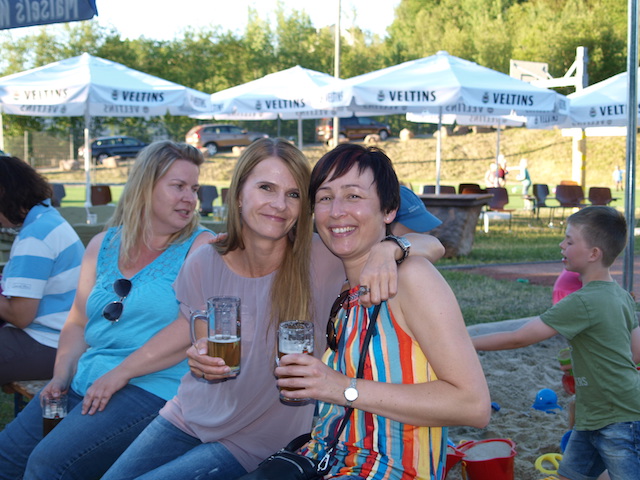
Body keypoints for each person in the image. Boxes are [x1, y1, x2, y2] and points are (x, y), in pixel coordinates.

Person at [101, 138, 444, 480]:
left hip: (258, 440)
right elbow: (204, 347)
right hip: (188, 414)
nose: (279, 204)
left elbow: (433, 244)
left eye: (293, 194)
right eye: (266, 188)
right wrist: (201, 362)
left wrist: (390, 248)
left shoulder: (323, 256)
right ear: (238, 194)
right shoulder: (205, 260)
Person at [274, 143, 491, 479]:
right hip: (324, 460)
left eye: (353, 196)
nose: (336, 211)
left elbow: (473, 405)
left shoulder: (412, 278)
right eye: (325, 197)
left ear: (388, 210)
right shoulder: (344, 287)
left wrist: (341, 387)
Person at [0, 141, 215, 479]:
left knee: (49, 465)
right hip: (89, 377)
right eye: (178, 186)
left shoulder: (201, 247)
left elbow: (190, 325)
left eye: (194, 189)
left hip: (153, 385)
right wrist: (61, 375)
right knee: (7, 456)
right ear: (144, 186)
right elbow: (77, 321)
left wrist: (121, 372)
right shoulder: (103, 244)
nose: (190, 198)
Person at [472, 206, 640, 480]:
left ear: (593, 254)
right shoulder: (622, 296)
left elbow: (519, 337)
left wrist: (468, 342)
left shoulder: (581, 301)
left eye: (570, 241)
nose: (562, 244)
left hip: (618, 419)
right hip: (597, 414)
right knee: (570, 475)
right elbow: (635, 352)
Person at [0, 155, 85, 384]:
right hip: (63, 339)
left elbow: (20, 316)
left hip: (50, 344)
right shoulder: (47, 219)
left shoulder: (35, 236)